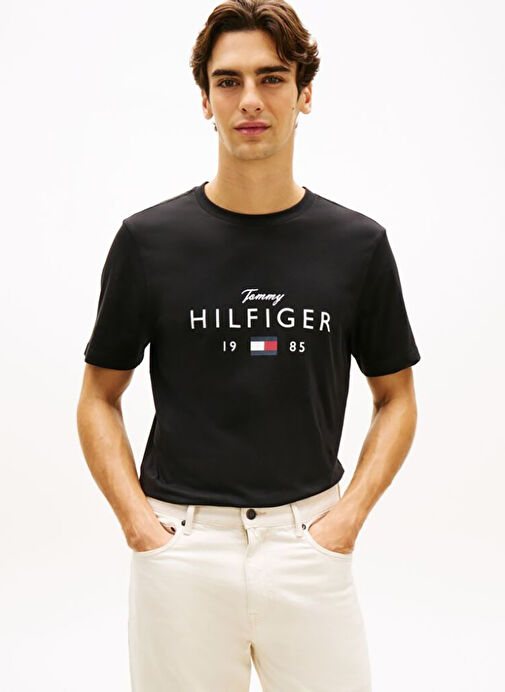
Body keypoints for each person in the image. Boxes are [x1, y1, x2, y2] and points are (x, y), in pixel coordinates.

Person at [77, 1, 421, 690]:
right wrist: (140, 525)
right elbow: (98, 396)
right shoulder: (149, 242)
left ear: (304, 93)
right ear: (205, 100)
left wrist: (344, 521)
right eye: (228, 81)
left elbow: (396, 398)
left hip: (308, 546)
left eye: (272, 77)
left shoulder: (357, 246)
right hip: (182, 551)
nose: (250, 100)